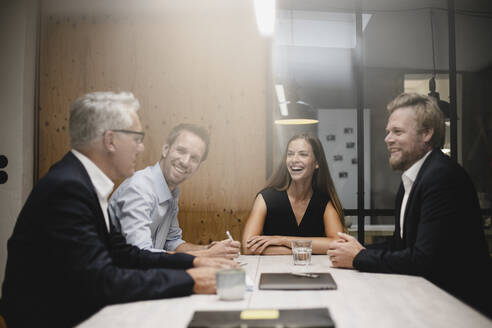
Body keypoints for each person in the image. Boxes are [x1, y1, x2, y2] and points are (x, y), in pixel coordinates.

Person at [0, 92, 237, 327]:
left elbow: (127, 255)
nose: (141, 148)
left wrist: (194, 264)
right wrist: (189, 280)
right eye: (136, 138)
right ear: (110, 141)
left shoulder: (85, 182)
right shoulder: (68, 187)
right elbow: (102, 281)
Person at [327, 93, 491, 317]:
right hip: (430, 301)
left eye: (397, 131)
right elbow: (400, 246)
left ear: (426, 133)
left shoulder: (442, 177)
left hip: (459, 311)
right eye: (387, 132)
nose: (387, 139)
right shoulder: (412, 180)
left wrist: (358, 257)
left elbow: (423, 260)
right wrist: (353, 250)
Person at [108, 123, 241, 258]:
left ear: (198, 166)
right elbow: (140, 254)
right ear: (166, 149)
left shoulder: (171, 191)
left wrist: (209, 248)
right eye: (181, 151)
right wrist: (206, 255)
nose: (185, 162)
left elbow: (172, 242)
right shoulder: (139, 189)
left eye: (194, 158)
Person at [242, 134, 345, 255]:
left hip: (314, 272)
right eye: (290, 154)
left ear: (316, 163)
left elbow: (338, 244)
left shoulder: (323, 202)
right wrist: (301, 250)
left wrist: (283, 240)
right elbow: (248, 247)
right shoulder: (266, 198)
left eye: (303, 154)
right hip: (272, 272)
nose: (294, 160)